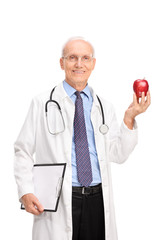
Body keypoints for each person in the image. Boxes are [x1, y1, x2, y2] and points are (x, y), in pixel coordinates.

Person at [14, 37, 151, 240]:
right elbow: (22, 150)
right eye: (72, 58)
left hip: (97, 199)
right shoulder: (42, 102)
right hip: (60, 200)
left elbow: (118, 154)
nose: (79, 64)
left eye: (85, 58)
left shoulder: (104, 107)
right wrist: (25, 191)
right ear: (62, 63)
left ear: (93, 64)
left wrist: (129, 119)